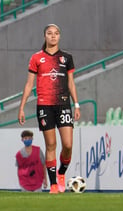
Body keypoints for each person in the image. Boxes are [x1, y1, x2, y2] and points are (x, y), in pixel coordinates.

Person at [18, 24, 81, 194]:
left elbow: (71, 83)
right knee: (51, 144)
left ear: (59, 36)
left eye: (56, 33)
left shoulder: (66, 58)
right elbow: (29, 84)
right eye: (49, 33)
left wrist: (76, 104)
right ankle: (53, 185)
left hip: (63, 104)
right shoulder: (37, 58)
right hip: (45, 105)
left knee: (67, 145)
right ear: (44, 36)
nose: (53, 36)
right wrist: (22, 107)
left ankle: (61, 172)